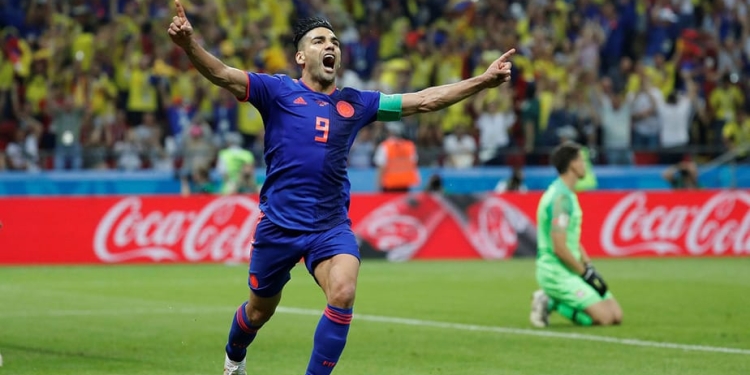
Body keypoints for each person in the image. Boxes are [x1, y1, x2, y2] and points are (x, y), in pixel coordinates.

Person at [167, 2, 514, 374]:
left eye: (334, 41)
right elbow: (221, 73)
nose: (330, 45)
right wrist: (189, 45)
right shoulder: (277, 91)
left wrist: (482, 80)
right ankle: (234, 358)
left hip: (329, 227)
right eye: (319, 41)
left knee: (344, 292)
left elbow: (425, 100)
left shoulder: (356, 102)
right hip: (279, 226)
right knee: (258, 310)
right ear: (301, 56)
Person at [530, 142, 623, 328]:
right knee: (604, 318)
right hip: (556, 271)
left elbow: (572, 238)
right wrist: (584, 274)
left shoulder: (568, 194)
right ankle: (549, 300)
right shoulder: (561, 199)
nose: (585, 164)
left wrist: (589, 265)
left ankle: (556, 299)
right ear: (572, 165)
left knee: (616, 315)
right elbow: (559, 248)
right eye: (582, 160)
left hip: (572, 267)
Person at [373, 122, 420, 193]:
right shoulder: (410, 146)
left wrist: (378, 187)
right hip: (405, 184)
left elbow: (381, 167)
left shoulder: (384, 146)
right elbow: (414, 162)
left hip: (389, 185)